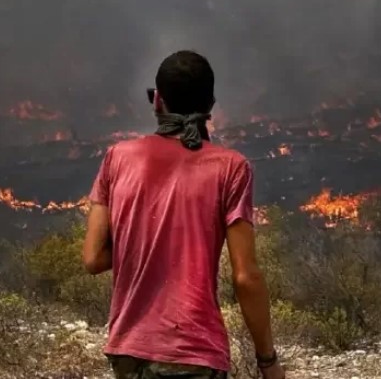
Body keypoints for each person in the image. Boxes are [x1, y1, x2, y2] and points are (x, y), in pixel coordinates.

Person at [82, 50, 285, 379]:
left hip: (128, 350)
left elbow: (93, 258)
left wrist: (146, 242)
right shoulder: (231, 167)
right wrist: (267, 361)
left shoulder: (116, 158)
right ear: (210, 107)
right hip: (194, 353)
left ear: (157, 100)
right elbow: (246, 277)